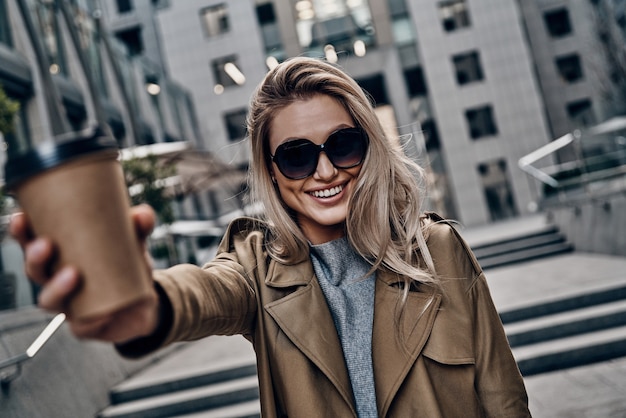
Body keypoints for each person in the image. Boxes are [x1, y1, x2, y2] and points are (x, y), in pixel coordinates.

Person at [11, 57, 531, 417]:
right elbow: (207, 291)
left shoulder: (436, 250)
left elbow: (503, 398)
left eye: (343, 146)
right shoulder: (256, 267)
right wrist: (151, 305)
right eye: (298, 155)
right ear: (273, 171)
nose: (325, 171)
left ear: (369, 148)